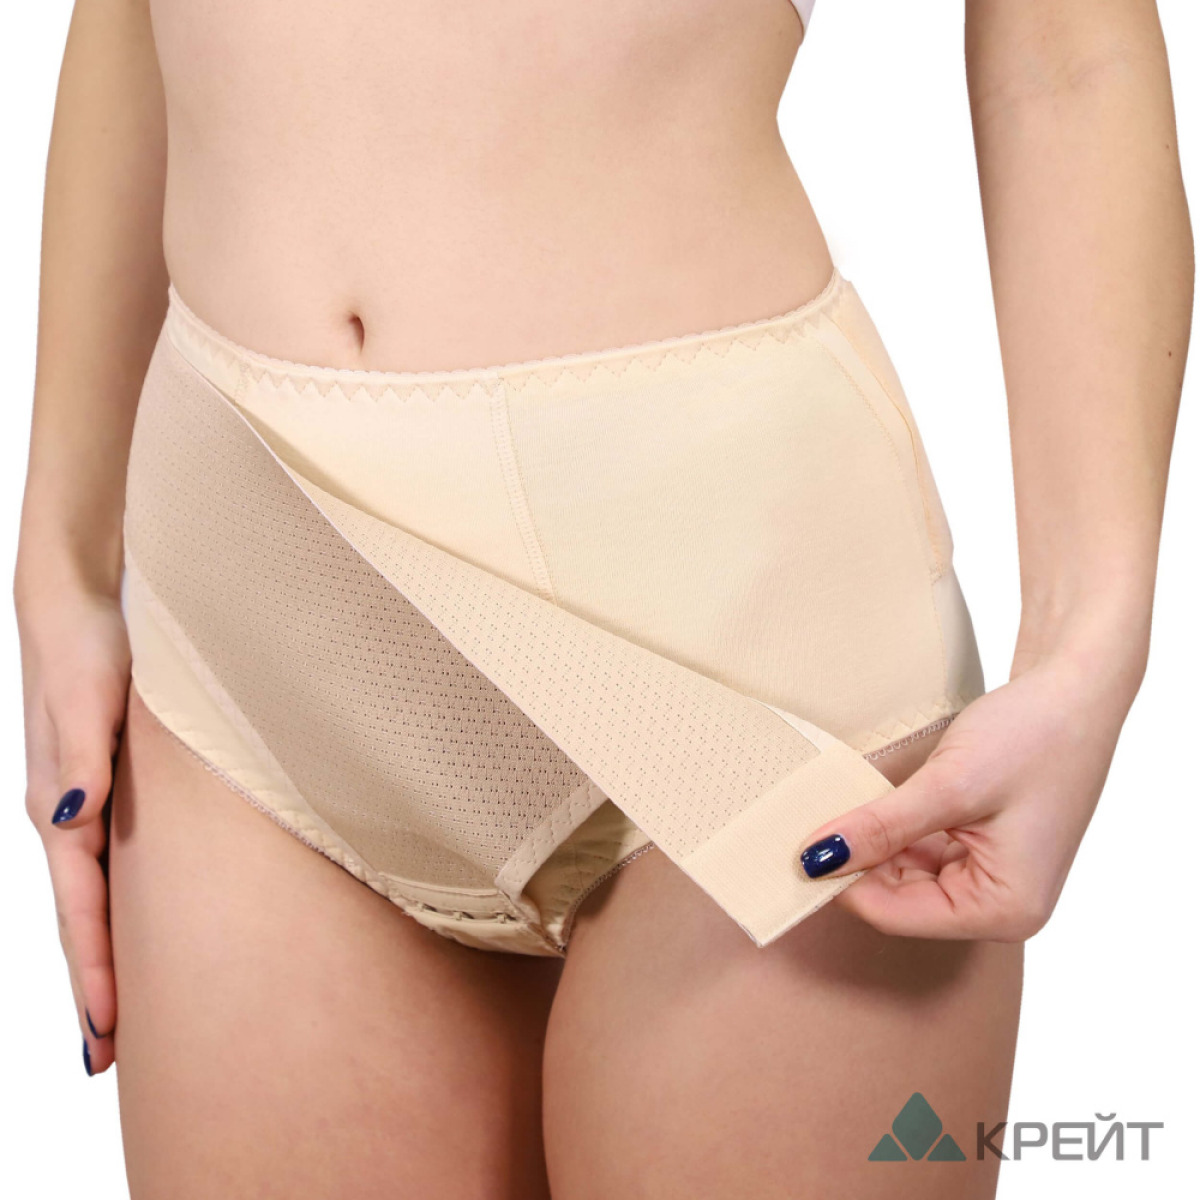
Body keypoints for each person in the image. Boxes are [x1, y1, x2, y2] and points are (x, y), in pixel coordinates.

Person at [15, 1, 1191, 1197]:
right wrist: (59, 551)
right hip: (260, 588)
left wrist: (1091, 643)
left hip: (735, 631)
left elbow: (1065, 49)